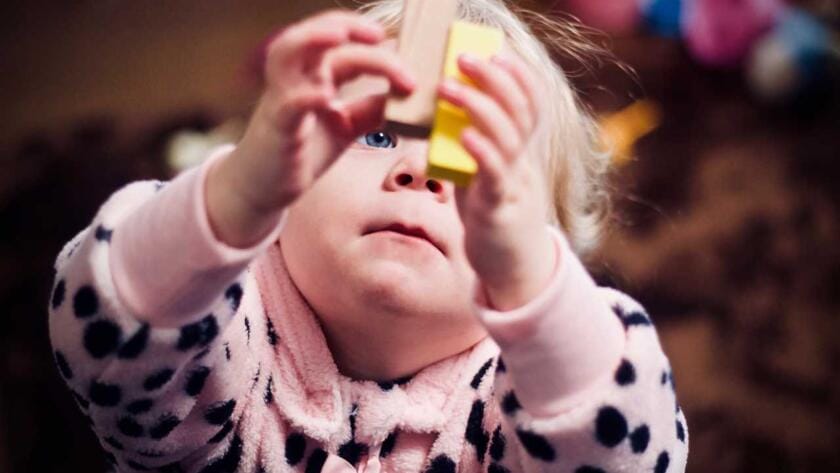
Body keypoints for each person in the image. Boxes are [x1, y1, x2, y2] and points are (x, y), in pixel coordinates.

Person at [47, 0, 689, 471]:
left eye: (472, 165)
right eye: (377, 136)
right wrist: (236, 195)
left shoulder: (517, 405)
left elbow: (624, 455)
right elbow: (106, 335)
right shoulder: (223, 338)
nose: (418, 171)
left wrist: (533, 287)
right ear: (286, 189)